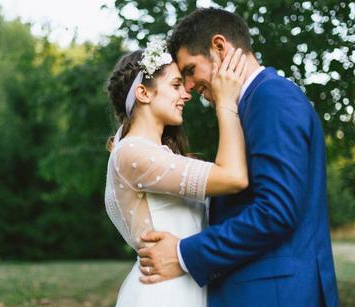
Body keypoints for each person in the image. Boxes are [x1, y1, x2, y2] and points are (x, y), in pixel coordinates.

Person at [138, 8, 340, 307]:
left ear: (219, 47)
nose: (190, 87)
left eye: (190, 70)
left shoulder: (271, 98)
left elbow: (275, 211)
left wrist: (183, 253)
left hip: (275, 294)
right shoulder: (244, 105)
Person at [104, 38, 248, 306]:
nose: (186, 94)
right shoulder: (132, 153)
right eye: (175, 85)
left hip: (185, 286)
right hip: (163, 294)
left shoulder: (157, 153)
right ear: (144, 93)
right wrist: (226, 104)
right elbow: (232, 177)